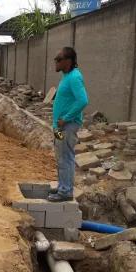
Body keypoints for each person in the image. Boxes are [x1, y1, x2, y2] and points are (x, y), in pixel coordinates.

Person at [48, 47, 88, 203]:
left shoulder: (74, 78)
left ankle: (65, 192)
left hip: (67, 127)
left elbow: (83, 100)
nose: (55, 62)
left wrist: (65, 118)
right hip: (59, 129)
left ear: (68, 61)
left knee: (66, 158)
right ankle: (62, 186)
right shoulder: (66, 76)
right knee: (60, 156)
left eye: (58, 59)